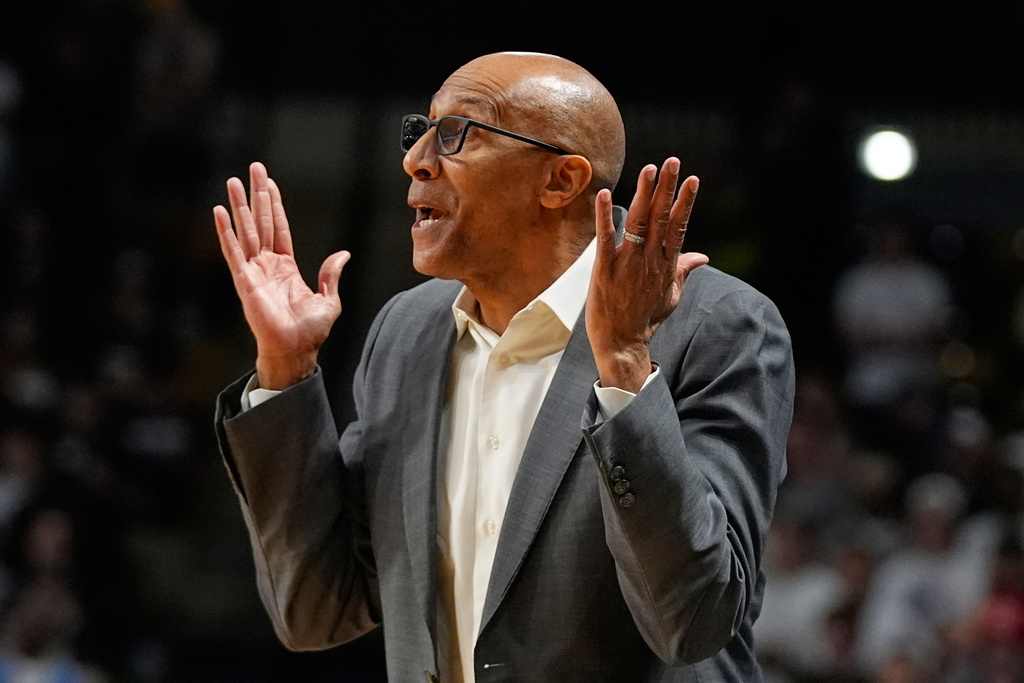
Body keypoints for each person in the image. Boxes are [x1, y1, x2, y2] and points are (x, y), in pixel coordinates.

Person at [212, 52, 795, 682]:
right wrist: (286, 368)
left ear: (560, 181)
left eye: (457, 134)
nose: (416, 159)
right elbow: (318, 611)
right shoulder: (408, 330)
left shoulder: (717, 323)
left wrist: (625, 364)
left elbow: (695, 620)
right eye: (421, 130)